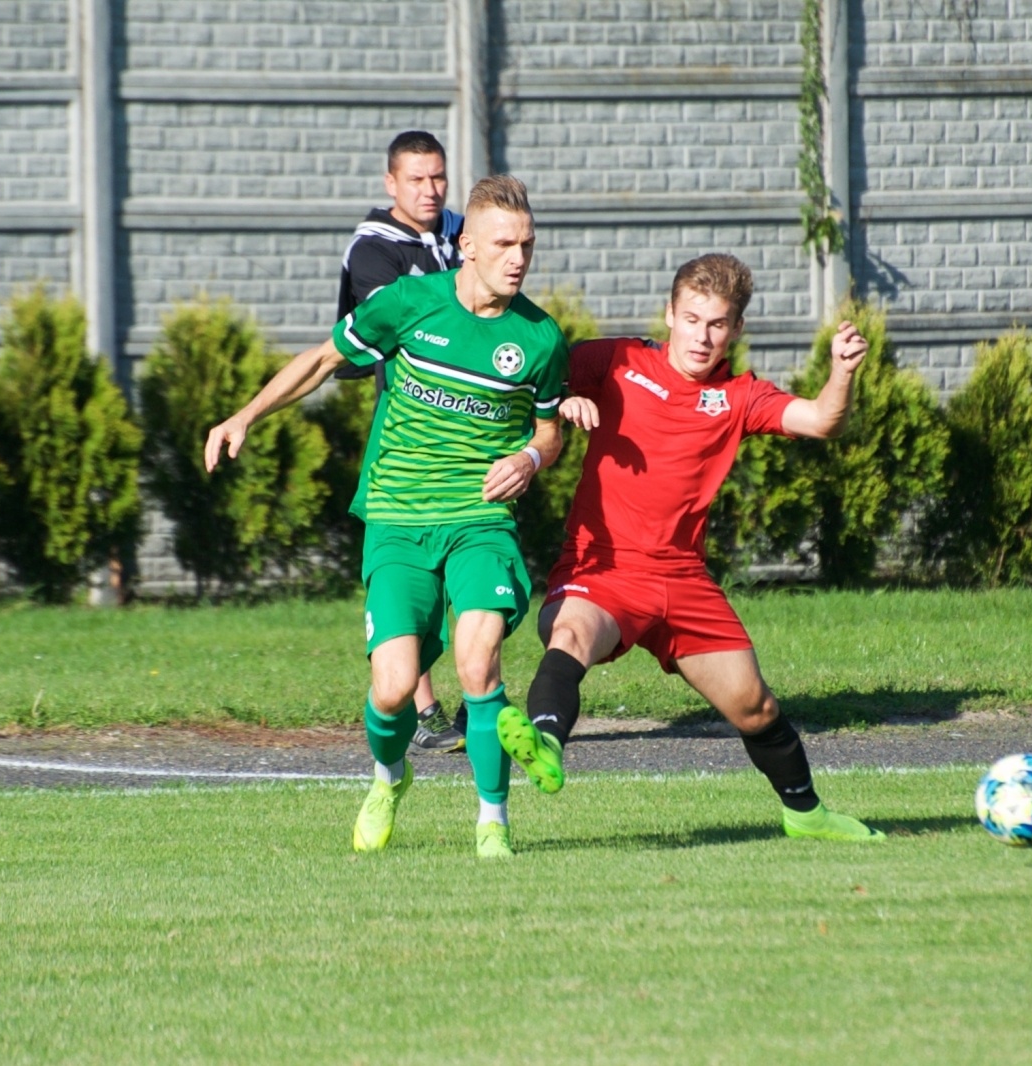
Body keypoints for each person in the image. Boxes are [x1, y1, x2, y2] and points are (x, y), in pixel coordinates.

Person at [205, 176, 568, 858]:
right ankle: (388, 777)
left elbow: (549, 433)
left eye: (528, 245)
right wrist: (245, 416)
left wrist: (532, 459)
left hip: (478, 521)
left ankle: (493, 822)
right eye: (503, 245)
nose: (518, 259)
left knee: (478, 660)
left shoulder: (540, 340)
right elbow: (322, 360)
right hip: (398, 520)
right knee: (395, 688)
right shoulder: (409, 304)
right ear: (467, 246)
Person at [496, 253, 886, 843]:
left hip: (682, 579)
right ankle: (545, 742)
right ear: (671, 314)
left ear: (736, 330)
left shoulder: (739, 396)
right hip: (601, 566)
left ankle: (807, 815)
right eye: (693, 319)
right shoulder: (617, 359)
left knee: (754, 706)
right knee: (570, 636)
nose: (702, 337)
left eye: (718, 324)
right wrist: (561, 404)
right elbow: (531, 382)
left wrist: (842, 371)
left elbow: (821, 420)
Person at [336, 130, 469, 755]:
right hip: (408, 420)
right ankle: (424, 710)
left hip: (468, 424)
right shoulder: (374, 249)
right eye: (416, 179)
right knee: (410, 570)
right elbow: (402, 325)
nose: (430, 189)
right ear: (391, 184)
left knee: (464, 559)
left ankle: (477, 694)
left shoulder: (459, 230)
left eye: (438, 176)